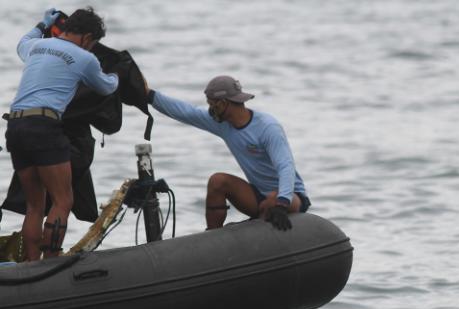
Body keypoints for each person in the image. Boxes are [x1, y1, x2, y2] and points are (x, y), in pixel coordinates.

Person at [4, 7, 118, 261]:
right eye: (92, 44)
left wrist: (42, 24)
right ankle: (51, 262)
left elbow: (22, 41)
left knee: (34, 205)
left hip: (15, 126)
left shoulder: (36, 46)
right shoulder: (84, 57)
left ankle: (31, 267)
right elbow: (106, 87)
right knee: (63, 199)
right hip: (44, 127)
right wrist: (117, 76)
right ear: (88, 38)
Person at [145, 76, 310, 231]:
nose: (210, 110)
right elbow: (187, 112)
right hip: (258, 195)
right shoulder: (224, 124)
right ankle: (212, 238)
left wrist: (282, 204)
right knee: (218, 181)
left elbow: (285, 166)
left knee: (273, 200)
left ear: (223, 103)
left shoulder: (267, 128)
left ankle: (262, 225)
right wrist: (149, 95)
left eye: (212, 104)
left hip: (290, 196)